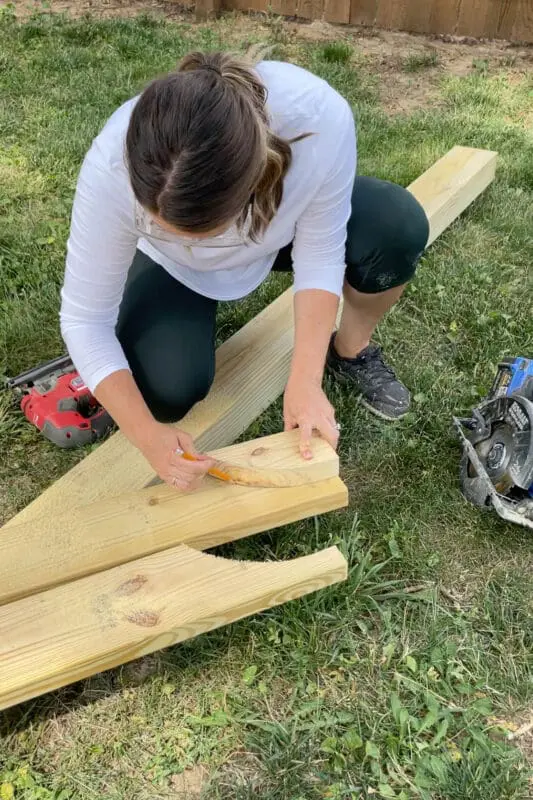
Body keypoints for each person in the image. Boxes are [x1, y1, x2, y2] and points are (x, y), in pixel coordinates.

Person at [60, 49, 429, 492]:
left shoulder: (318, 119)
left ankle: (350, 350)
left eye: (200, 230)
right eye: (165, 225)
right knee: (166, 391)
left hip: (278, 236)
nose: (197, 241)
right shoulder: (111, 166)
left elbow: (320, 253)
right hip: (173, 268)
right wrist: (146, 435)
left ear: (253, 181)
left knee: (395, 226)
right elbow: (84, 318)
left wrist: (305, 380)